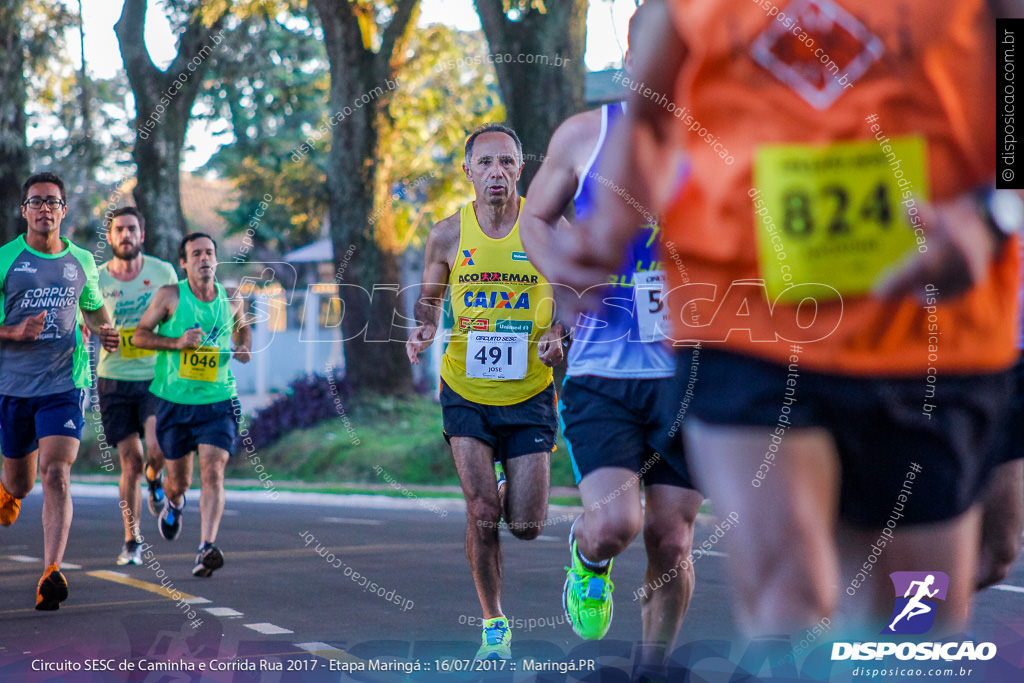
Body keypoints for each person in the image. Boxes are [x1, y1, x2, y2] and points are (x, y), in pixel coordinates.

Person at [550, 0, 1020, 639]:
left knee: (916, 626)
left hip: (928, 325)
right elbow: (653, 113)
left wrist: (993, 214)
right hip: (741, 315)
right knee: (789, 599)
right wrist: (607, 228)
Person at [519, 5, 703, 676]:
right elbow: (534, 218)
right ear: (631, 60)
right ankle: (587, 556)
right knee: (615, 523)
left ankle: (651, 666)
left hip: (691, 370)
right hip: (603, 371)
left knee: (672, 537)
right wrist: (569, 275)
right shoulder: (586, 136)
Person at [406, 124, 565, 660]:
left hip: (529, 394)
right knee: (480, 511)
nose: (497, 172)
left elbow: (573, 293)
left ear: (521, 169)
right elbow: (429, 298)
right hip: (465, 388)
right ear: (469, 171)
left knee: (525, 524)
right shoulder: (448, 233)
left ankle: (506, 486)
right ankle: (494, 623)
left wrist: (556, 331)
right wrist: (424, 325)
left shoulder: (546, 229)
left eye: (507, 163)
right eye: (486, 163)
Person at [0, 172, 120, 609]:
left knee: (56, 472)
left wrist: (105, 332)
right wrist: (14, 331)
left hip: (65, 384)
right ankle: (8, 490)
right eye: (36, 201)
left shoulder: (82, 261)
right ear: (24, 211)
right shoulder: (5, 260)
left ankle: (51, 571)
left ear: (64, 210)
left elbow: (93, 310)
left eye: (53, 201)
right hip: (12, 387)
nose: (45, 208)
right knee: (21, 481)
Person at [134, 232, 250, 578]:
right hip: (175, 402)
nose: (204, 258)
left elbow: (243, 330)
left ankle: (206, 547)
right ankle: (173, 501)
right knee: (179, 481)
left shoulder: (231, 298)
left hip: (218, 401)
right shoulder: (170, 296)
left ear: (216, 259)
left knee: (213, 471)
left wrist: (243, 346)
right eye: (196, 253)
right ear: (183, 263)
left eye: (209, 253)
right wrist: (176, 342)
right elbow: (140, 335)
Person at [97, 207, 179, 566]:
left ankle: (156, 479)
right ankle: (132, 539)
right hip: (113, 378)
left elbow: (179, 316)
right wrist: (96, 333)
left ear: (141, 235)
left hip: (155, 376)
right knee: (129, 462)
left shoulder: (163, 273)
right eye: (119, 230)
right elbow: (85, 323)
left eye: (132, 229)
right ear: (111, 237)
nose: (126, 235)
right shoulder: (96, 279)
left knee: (156, 449)